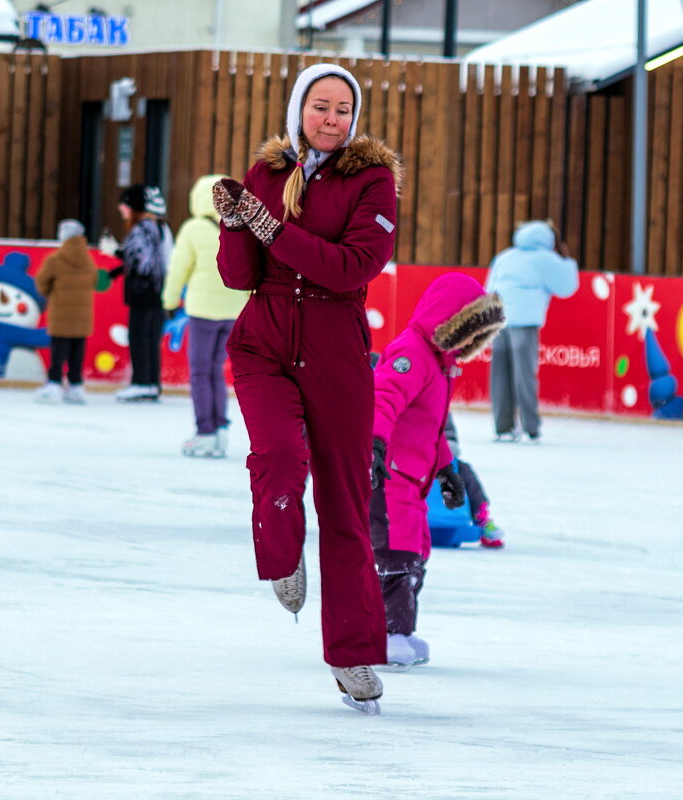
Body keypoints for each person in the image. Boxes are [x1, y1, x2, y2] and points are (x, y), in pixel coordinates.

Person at [213, 63, 401, 713]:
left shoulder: (371, 179)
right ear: (299, 110)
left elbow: (354, 267)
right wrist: (237, 226)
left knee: (347, 506)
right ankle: (282, 552)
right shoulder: (268, 173)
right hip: (263, 340)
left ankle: (352, 656)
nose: (331, 118)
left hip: (335, 348)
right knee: (280, 459)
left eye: (343, 110)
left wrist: (273, 230)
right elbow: (239, 276)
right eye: (320, 106)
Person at [369, 273, 505, 669]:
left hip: (411, 479)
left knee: (415, 551)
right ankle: (387, 634)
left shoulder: (440, 364)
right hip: (387, 475)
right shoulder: (411, 353)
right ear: (452, 321)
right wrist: (374, 445)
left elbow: (429, 430)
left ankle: (399, 631)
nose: (471, 344)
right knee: (397, 552)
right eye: (469, 331)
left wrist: (448, 471)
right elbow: (383, 399)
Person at [161, 173, 248, 458]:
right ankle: (220, 429)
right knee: (216, 372)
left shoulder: (193, 228)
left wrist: (170, 299)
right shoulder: (242, 225)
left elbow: (179, 268)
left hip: (202, 313)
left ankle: (205, 432)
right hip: (234, 311)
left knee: (201, 373)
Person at [485, 219, 579, 442]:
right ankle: (531, 426)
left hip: (497, 319)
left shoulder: (506, 256)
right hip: (524, 322)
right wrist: (567, 260)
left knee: (500, 374)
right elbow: (567, 287)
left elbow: (489, 287)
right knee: (524, 375)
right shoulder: (546, 259)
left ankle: (503, 426)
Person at [110, 184, 170, 402]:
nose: (121, 208)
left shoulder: (141, 229)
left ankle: (141, 383)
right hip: (157, 292)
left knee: (139, 337)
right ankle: (152, 383)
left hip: (143, 293)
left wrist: (117, 252)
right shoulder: (161, 227)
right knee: (151, 339)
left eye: (125, 204)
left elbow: (143, 262)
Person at [34, 219, 97, 404]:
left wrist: (49, 293)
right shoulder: (88, 259)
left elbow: (41, 282)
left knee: (58, 350)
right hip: (82, 316)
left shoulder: (55, 258)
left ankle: (54, 383)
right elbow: (94, 281)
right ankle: (76, 385)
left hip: (61, 312)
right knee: (77, 350)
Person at [444, 416, 505, 549]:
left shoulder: (437, 401)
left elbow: (449, 431)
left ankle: (481, 516)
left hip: (439, 457)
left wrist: (448, 443)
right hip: (408, 457)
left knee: (464, 470)